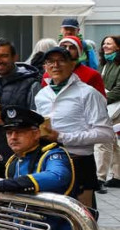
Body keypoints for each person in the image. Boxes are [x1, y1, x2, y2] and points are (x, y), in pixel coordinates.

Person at [35, 46, 113, 210]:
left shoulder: (88, 93)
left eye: (61, 60)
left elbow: (106, 133)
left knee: (82, 218)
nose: (56, 65)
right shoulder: (42, 95)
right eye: (50, 62)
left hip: (79, 162)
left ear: (72, 65)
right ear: (45, 67)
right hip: (49, 162)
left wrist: (62, 137)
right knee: (54, 214)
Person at [0, 39, 41, 172]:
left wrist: (6, 121)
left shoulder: (31, 83)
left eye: (4, 56)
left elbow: (37, 119)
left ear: (15, 57)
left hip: (21, 152)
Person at [97, 35, 120, 189]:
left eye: (109, 43)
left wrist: (103, 100)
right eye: (104, 43)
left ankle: (99, 177)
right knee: (113, 143)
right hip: (109, 106)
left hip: (113, 107)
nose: (105, 46)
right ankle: (117, 176)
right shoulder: (104, 63)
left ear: (118, 47)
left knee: (102, 141)